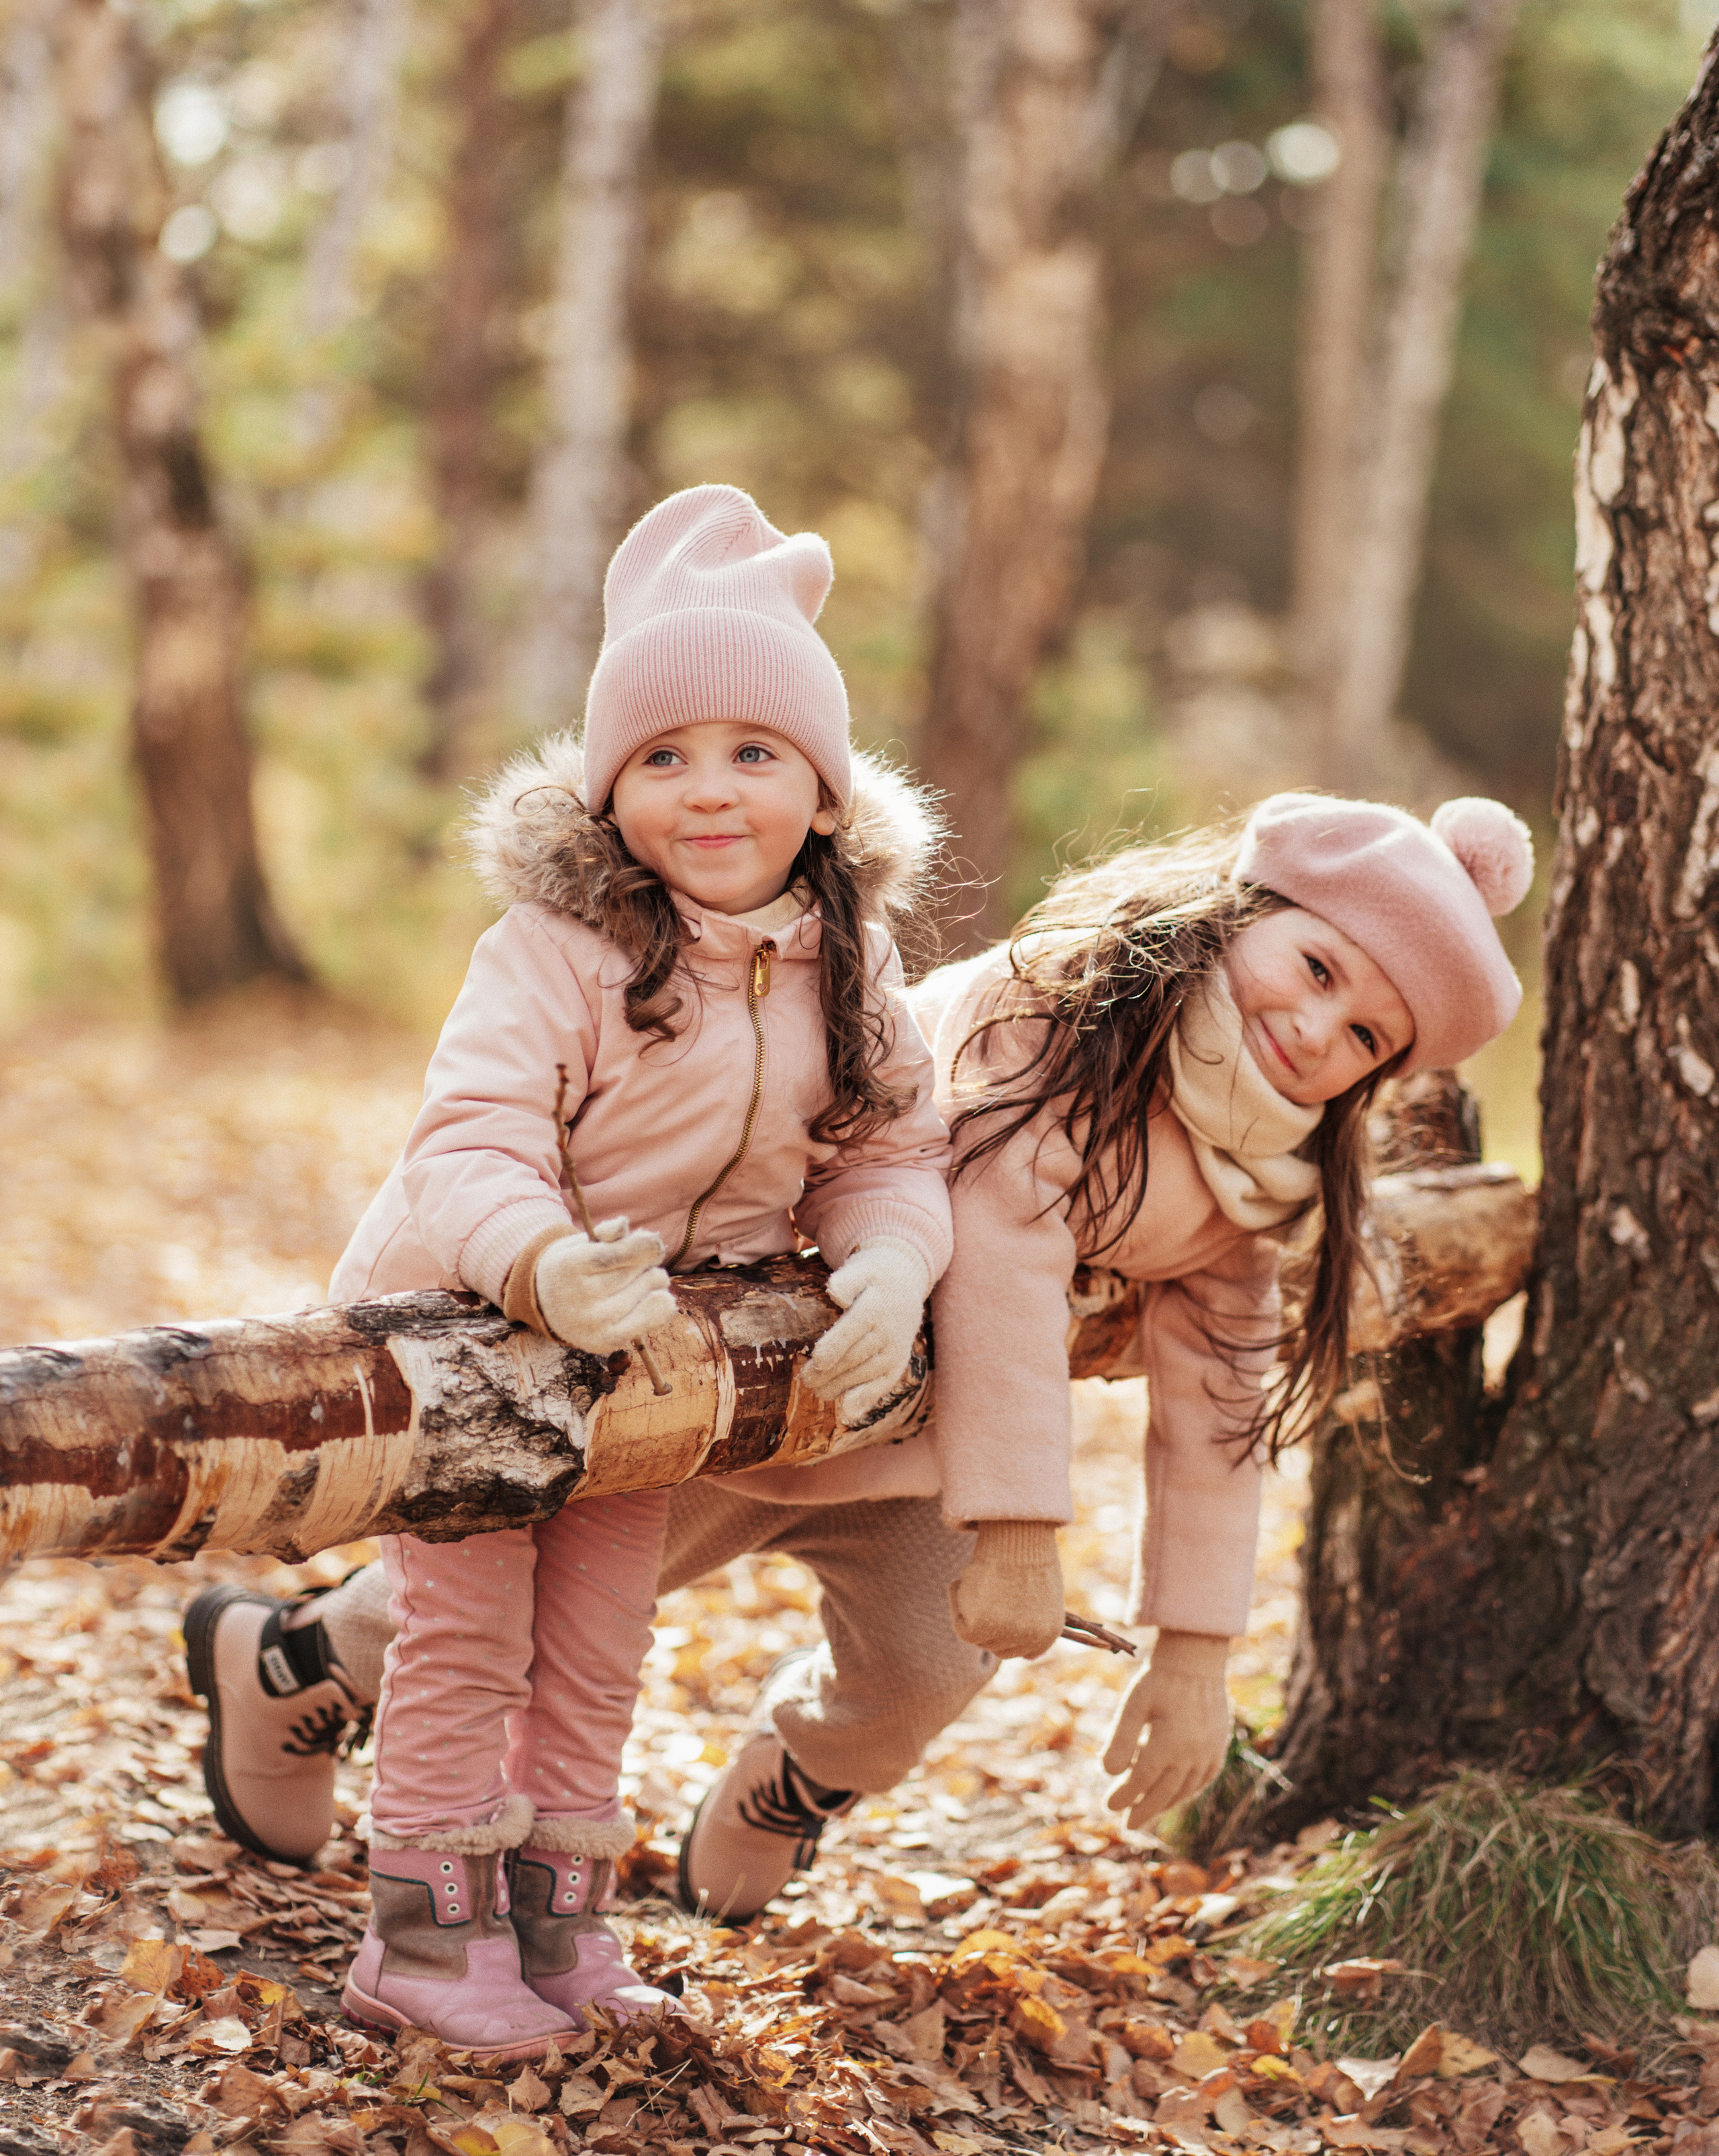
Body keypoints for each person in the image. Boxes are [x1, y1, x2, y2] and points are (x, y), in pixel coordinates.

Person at [190, 791, 1531, 1925]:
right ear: (1241, 915)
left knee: (924, 1670)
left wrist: (1190, 1646)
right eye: (1314, 970)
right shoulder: (1046, 1013)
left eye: (1364, 1035)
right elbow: (1000, 1248)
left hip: (915, 1451)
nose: (1315, 1029)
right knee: (521, 1623)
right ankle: (287, 1667)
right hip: (753, 1378)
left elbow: (1216, 1397)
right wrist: (1019, 1529)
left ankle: (789, 1781)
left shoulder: (1261, 1183)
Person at [188, 483, 954, 2061]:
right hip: (472, 1337)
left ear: (821, 790)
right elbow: (462, 1144)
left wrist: (887, 1265)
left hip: (657, 1366)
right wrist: (539, 1262)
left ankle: (559, 1916)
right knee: (467, 1636)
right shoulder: (557, 947)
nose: (708, 789)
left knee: (601, 1636)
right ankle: (420, 1936)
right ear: (611, 794)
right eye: (661, 758)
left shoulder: (848, 959)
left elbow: (886, 1149)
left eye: (753, 752)